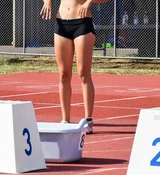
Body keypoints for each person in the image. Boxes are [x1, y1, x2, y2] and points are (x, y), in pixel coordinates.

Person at [40, 0, 109, 134]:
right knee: (63, 75)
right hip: (61, 23)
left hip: (82, 23)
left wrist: (89, 2)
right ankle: (65, 119)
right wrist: (47, 2)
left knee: (83, 74)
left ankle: (88, 119)